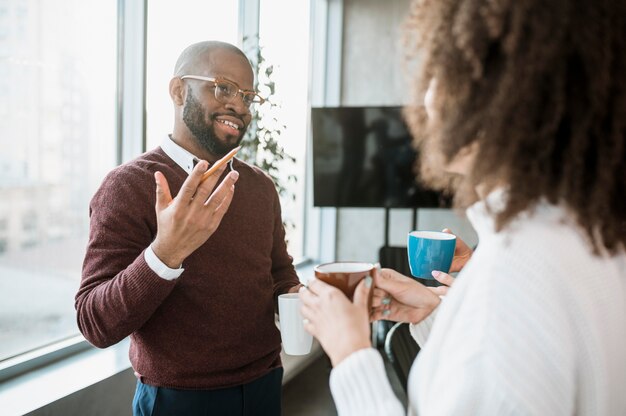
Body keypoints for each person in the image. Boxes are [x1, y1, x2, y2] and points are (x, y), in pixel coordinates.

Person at [300, 0, 626, 414]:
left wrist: (351, 356)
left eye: (439, 71)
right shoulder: (588, 233)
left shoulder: (512, 277)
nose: (426, 98)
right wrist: (443, 314)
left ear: (495, 94)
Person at [75, 40, 302, 415]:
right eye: (224, 88)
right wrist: (165, 253)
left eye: (248, 96)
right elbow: (94, 322)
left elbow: (278, 272)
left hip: (264, 384)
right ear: (178, 90)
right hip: (178, 399)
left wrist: (300, 295)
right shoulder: (127, 187)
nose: (240, 107)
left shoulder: (260, 186)